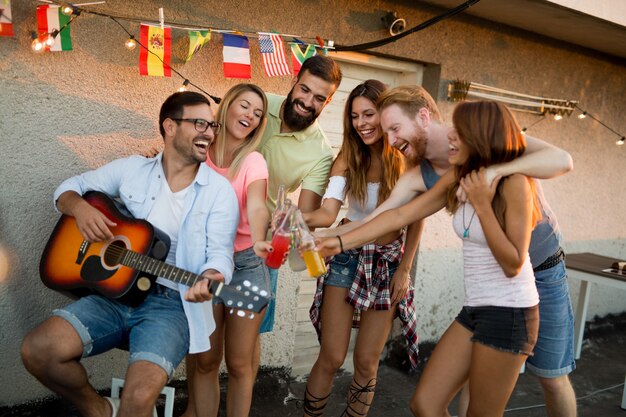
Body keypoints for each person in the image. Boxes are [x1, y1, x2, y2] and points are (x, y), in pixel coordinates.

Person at [320, 86, 576, 417]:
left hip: (539, 271)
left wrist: (492, 177)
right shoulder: (449, 173)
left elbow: (562, 160)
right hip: (482, 301)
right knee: (444, 397)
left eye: (394, 128)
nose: (390, 139)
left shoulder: (503, 159)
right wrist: (333, 239)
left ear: (424, 117)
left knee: (552, 378)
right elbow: (390, 216)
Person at [21, 91, 239, 417]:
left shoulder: (219, 192)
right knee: (37, 351)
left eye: (212, 125)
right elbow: (69, 188)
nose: (209, 132)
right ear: (170, 126)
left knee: (137, 401)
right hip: (114, 293)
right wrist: (79, 208)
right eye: (199, 123)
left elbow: (221, 254)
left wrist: (211, 277)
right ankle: (98, 409)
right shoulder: (131, 169)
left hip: (170, 303)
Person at [300, 80, 422, 417]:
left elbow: (416, 219)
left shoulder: (406, 159)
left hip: (387, 264)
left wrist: (405, 269)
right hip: (347, 258)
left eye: (369, 114)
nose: (362, 123)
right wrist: (293, 219)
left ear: (386, 115)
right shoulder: (347, 157)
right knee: (332, 356)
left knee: (367, 362)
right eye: (355, 116)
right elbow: (328, 212)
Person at [181, 84, 272, 417]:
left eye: (257, 113)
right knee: (205, 359)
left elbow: (259, 204)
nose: (249, 115)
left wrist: (261, 235)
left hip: (245, 268)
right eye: (244, 106)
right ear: (228, 106)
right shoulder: (199, 149)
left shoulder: (253, 161)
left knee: (238, 362)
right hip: (205, 266)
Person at [255, 55, 342, 352]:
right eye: (304, 90)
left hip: (260, 244)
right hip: (213, 231)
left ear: (327, 103)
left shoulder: (320, 153)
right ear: (294, 82)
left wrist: (287, 218)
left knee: (246, 345)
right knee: (205, 338)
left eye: (319, 98)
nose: (307, 101)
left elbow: (307, 213)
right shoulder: (258, 102)